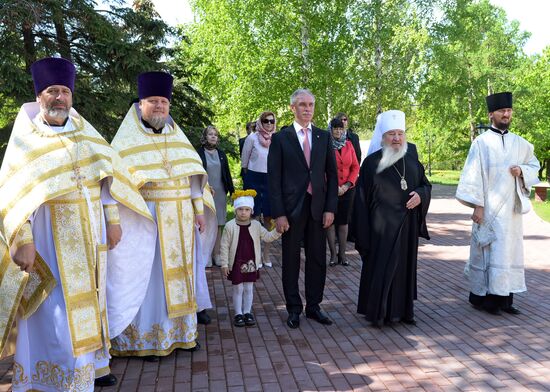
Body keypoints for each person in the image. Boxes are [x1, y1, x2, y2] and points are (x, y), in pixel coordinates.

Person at [0, 57, 154, 390]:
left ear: (71, 96)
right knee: (56, 312)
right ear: (39, 95)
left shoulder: (85, 132)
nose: (59, 98)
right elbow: (11, 195)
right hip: (49, 240)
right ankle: (55, 376)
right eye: (52, 91)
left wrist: (113, 220)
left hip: (91, 236)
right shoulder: (26, 140)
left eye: (64, 92)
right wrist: (22, 239)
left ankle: (92, 368)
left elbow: (106, 179)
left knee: (92, 302)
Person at [109, 71, 216, 359]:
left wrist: (199, 212)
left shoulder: (176, 137)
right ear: (140, 104)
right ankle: (149, 340)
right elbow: (116, 188)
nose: (159, 107)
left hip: (181, 221)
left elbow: (193, 177)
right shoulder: (125, 142)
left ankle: (182, 334)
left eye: (163, 102)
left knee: (183, 276)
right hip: (148, 222)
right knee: (151, 281)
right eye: (153, 101)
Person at [456, 92, 540, 315]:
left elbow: (534, 164)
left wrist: (522, 171)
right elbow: (472, 176)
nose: (506, 114)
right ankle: (485, 299)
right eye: (502, 111)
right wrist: (478, 205)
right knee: (487, 251)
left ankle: (506, 300)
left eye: (509, 111)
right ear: (491, 114)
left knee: (508, 252)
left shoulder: (519, 143)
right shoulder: (481, 143)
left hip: (510, 212)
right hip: (490, 209)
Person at [268, 88, 338, 329]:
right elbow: (273, 179)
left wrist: (331, 208)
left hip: (318, 209)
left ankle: (314, 306)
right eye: (302, 105)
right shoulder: (281, 138)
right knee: (290, 260)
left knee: (318, 259)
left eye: (310, 105)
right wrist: (279, 213)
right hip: (291, 210)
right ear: (292, 108)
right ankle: (294, 308)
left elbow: (332, 175)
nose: (307, 109)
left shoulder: (323, 137)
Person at [354, 110, 431, 327]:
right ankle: (380, 313)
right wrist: (363, 234)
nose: (396, 138)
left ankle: (404, 312)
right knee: (381, 271)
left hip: (406, 228)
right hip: (380, 230)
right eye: (391, 134)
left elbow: (425, 185)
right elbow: (360, 202)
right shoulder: (370, 164)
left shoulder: (412, 161)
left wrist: (420, 196)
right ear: (383, 137)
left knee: (404, 270)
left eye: (400, 133)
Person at [219, 190, 281, 327]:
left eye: (247, 209)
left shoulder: (256, 226)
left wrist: (277, 231)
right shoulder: (230, 226)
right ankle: (238, 314)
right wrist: (224, 264)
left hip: (251, 263)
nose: (243, 212)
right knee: (238, 288)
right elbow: (224, 246)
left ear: (251, 211)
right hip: (236, 262)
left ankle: (247, 312)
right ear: (235, 209)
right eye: (240, 209)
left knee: (248, 288)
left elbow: (267, 237)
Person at [241, 111, 277, 267]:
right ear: (260, 122)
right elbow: (244, 161)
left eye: (271, 121)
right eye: (265, 121)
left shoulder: (277, 139)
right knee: (254, 218)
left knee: (269, 218)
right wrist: (246, 178)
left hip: (271, 180)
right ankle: (254, 255)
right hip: (254, 179)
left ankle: (266, 255)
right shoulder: (252, 138)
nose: (268, 123)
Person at [197, 125, 235, 268]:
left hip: (219, 193)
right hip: (205, 192)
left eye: (215, 135)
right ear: (205, 137)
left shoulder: (221, 154)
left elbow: (227, 174)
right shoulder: (199, 153)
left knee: (219, 223)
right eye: (210, 134)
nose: (213, 136)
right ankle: (205, 254)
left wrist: (232, 191)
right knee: (206, 222)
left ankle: (217, 254)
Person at [326, 118, 359, 266]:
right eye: (335, 128)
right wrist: (334, 188)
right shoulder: (325, 145)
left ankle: (343, 255)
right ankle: (333, 254)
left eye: (341, 128)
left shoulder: (349, 144)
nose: (338, 131)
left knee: (344, 222)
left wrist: (346, 185)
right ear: (330, 129)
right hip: (330, 190)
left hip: (347, 189)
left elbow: (355, 167)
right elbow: (321, 169)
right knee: (330, 222)